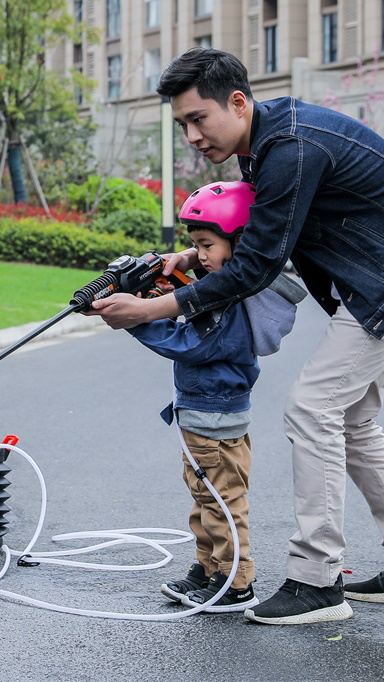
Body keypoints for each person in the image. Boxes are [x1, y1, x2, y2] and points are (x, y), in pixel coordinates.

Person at [88, 47, 384, 626]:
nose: (191, 135)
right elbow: (262, 235)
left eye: (198, 119)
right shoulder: (267, 144)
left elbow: (256, 267)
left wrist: (147, 310)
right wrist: (186, 256)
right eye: (182, 124)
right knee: (351, 417)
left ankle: (316, 582)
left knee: (312, 408)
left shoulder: (289, 148)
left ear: (237, 103)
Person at [124, 181, 301, 613]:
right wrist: (166, 295)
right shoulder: (225, 290)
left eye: (206, 245)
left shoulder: (236, 304)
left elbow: (190, 344)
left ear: (239, 242)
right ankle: (208, 568)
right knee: (204, 499)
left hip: (213, 424)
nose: (199, 255)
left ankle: (237, 583)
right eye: (194, 245)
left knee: (222, 503)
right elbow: (194, 309)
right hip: (200, 419)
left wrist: (137, 318)